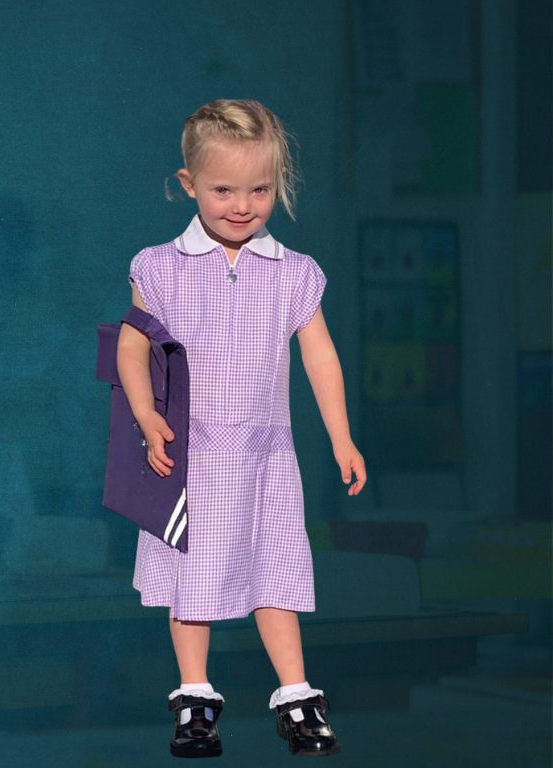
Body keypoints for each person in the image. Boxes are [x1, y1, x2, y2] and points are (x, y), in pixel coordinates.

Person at [115, 99, 367, 758]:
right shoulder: (161, 268)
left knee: (276, 573)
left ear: (277, 185)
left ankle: (298, 697)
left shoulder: (293, 273)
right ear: (188, 183)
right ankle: (195, 698)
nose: (242, 204)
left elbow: (319, 353)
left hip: (265, 451)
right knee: (191, 578)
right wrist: (145, 415)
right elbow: (133, 346)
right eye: (224, 188)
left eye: (259, 188)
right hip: (190, 450)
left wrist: (340, 435)